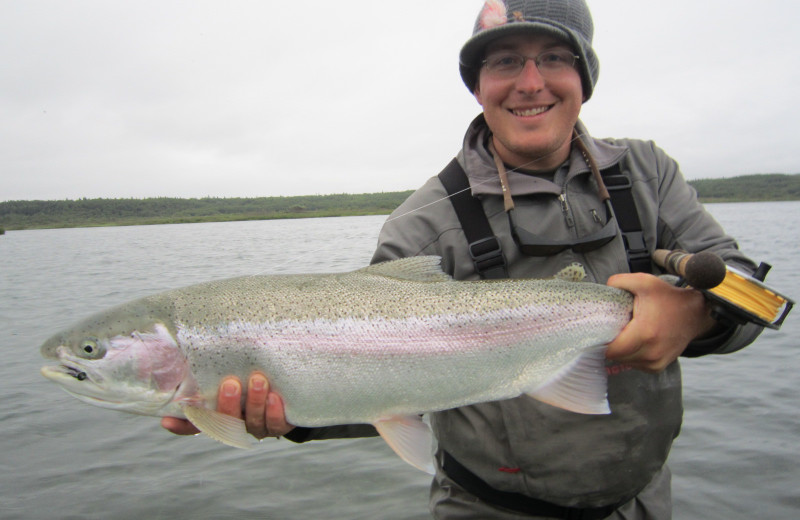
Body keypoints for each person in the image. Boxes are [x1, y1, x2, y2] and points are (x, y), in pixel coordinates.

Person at [163, 1, 763, 517]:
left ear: (584, 77)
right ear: (477, 85)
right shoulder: (421, 224)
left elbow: (758, 298)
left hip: (646, 498)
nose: (531, 83)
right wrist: (289, 415)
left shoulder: (647, 172)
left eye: (553, 58)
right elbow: (376, 382)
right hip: (487, 508)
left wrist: (696, 317)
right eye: (504, 62)